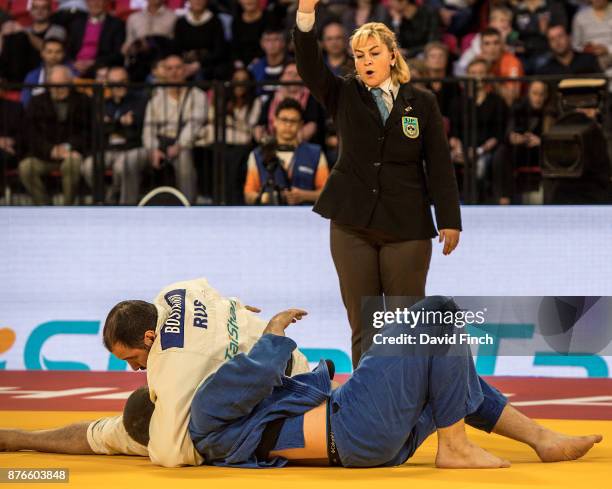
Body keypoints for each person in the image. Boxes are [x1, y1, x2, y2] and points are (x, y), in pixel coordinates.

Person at [2, 298, 603, 469]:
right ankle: (455, 447)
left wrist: (16, 440)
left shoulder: (192, 405)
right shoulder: (201, 411)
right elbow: (253, 369)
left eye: (136, 363)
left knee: (441, 360)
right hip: (352, 428)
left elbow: (88, 435)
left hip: (362, 435)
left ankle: (539, 438)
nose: (142, 371)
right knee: (434, 318)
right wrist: (274, 326)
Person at [294, 0, 462, 368]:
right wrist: (306, 14)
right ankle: (366, 410)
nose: (366, 61)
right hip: (352, 224)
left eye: (373, 53)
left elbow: (439, 165)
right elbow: (309, 66)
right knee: (365, 325)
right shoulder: (343, 94)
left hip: (407, 226)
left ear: (391, 55)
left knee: (407, 325)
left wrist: (449, 217)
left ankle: (409, 406)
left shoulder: (423, 102)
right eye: (359, 55)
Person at [18, 65, 92, 205]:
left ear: (70, 84)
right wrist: (50, 150)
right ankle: (45, 207)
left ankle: (66, 208)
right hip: (45, 154)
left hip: (72, 153)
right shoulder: (37, 101)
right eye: (54, 85)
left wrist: (68, 147)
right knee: (26, 167)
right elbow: (30, 133)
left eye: (62, 85)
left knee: (72, 164)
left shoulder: (83, 100)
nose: (57, 89)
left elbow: (88, 131)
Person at [142, 54, 207, 204]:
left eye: (178, 68)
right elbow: (148, 128)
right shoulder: (156, 97)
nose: (174, 72)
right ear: (163, 72)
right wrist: (153, 149)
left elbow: (194, 124)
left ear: (185, 70)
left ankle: (188, 205)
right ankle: (128, 207)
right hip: (159, 144)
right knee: (130, 160)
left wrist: (180, 145)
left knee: (184, 159)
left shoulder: (197, 95)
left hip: (185, 145)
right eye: (169, 68)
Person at [82, 66, 149, 205]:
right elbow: (99, 130)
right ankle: (106, 199)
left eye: (123, 81)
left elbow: (136, 131)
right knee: (88, 166)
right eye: (115, 83)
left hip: (133, 148)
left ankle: (126, 206)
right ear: (108, 85)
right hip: (109, 149)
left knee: (123, 165)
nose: (120, 86)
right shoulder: (103, 104)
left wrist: (111, 124)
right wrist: (121, 123)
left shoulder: (140, 101)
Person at [244, 98, 329, 205]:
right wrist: (264, 198)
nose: (288, 125)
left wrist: (304, 195)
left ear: (301, 124)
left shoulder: (316, 153)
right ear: (275, 121)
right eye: (284, 120)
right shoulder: (257, 154)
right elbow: (248, 194)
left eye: (293, 121)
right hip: (269, 217)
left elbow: (327, 193)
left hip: (305, 216)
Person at [66, 0, 126, 79]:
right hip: (76, 66)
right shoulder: (76, 23)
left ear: (105, 2)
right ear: (86, 3)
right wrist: (74, 63)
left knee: (102, 73)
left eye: (99, 0)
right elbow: (68, 50)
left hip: (100, 66)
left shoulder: (116, 24)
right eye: (91, 0)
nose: (95, 3)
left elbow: (117, 54)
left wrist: (94, 63)